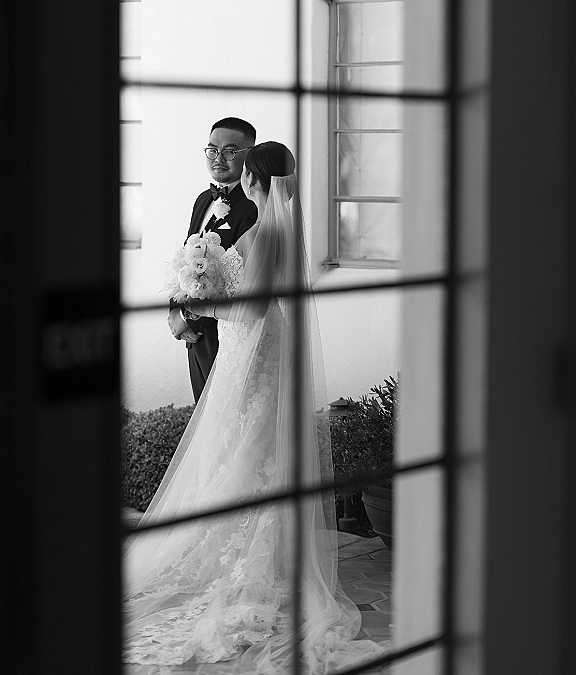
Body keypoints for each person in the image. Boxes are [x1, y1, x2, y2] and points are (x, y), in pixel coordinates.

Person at [124, 142, 387, 674]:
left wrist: (201, 295)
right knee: (254, 443)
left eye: (245, 171)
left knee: (243, 443)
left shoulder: (266, 230)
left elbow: (255, 303)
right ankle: (263, 549)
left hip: (255, 345)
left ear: (256, 180)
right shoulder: (289, 228)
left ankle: (245, 559)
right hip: (265, 346)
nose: (240, 179)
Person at [168, 117, 258, 403]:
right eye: (212, 150)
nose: (219, 158)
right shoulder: (202, 200)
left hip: (228, 336)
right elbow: (186, 260)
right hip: (195, 339)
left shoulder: (255, 208)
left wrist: (188, 317)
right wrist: (175, 312)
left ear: (249, 155)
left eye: (230, 151)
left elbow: (242, 281)